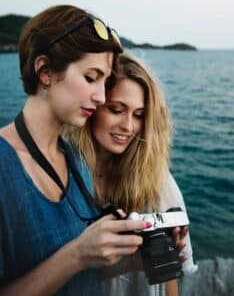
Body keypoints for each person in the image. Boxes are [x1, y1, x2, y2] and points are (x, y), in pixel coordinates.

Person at [0, 6, 154, 296]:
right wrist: (76, 255)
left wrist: (138, 254)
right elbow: (74, 260)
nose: (102, 97)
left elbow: (82, 275)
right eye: (90, 77)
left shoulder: (76, 159)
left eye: (105, 81)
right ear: (44, 71)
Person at [64, 53, 198, 296]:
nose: (128, 126)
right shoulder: (61, 171)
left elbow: (169, 282)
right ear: (93, 106)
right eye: (116, 109)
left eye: (138, 115)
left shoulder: (156, 180)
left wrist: (168, 253)